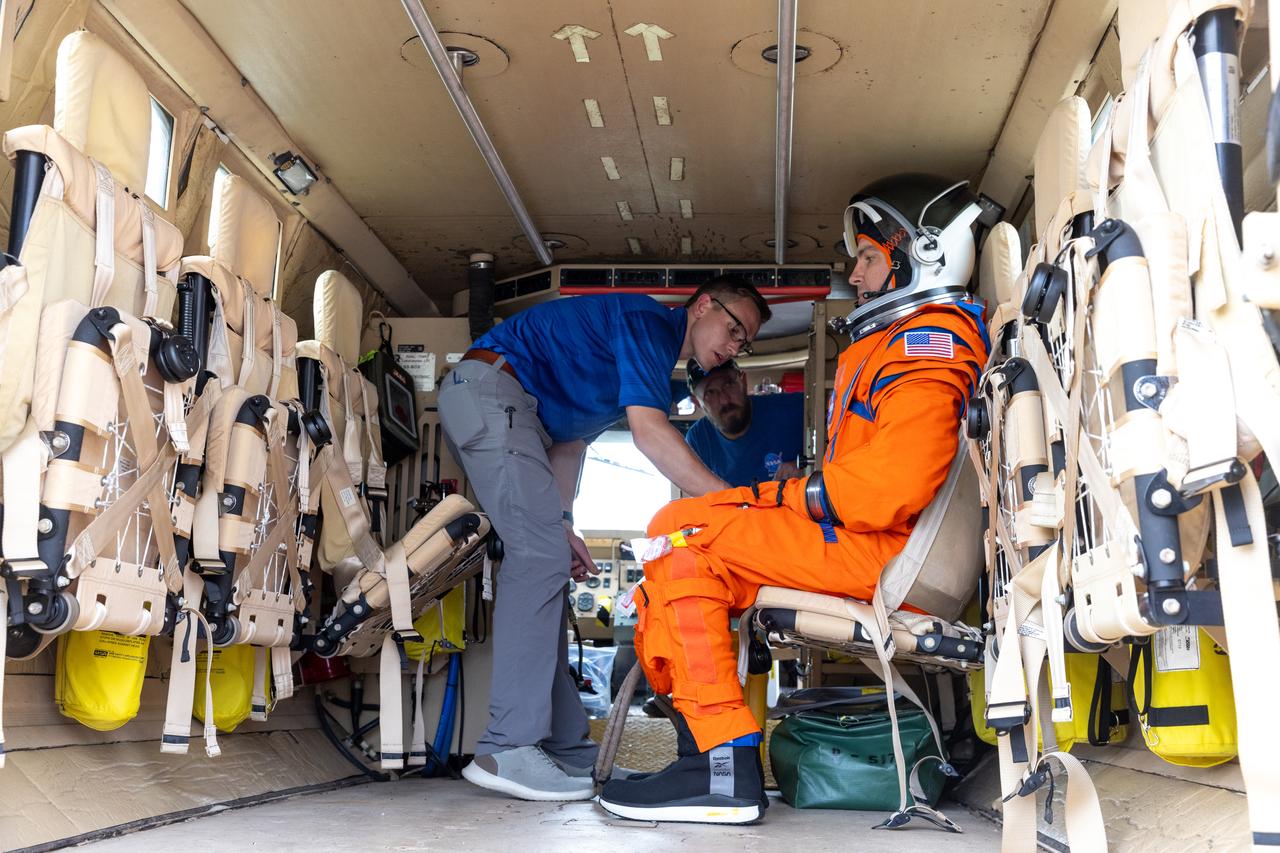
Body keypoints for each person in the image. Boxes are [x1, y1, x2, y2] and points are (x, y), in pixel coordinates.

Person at [597, 174, 990, 824]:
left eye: (867, 257)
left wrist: (785, 496)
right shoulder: (906, 342)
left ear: (920, 253)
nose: (857, 277)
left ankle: (720, 763)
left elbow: (891, 486)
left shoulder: (928, 341)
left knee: (681, 537)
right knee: (680, 531)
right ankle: (715, 761)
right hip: (870, 544)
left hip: (880, 554)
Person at [437, 274, 771, 802]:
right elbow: (649, 433)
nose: (733, 346)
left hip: (521, 419)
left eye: (742, 343)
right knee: (539, 558)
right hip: (492, 392)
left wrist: (564, 521)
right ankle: (506, 747)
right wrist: (732, 503)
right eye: (733, 329)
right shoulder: (648, 324)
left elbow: (571, 441)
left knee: (549, 565)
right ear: (702, 304)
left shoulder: (649, 364)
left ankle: (567, 747)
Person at [683, 359, 805, 487]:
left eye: (729, 384)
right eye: (710, 393)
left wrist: (807, 469)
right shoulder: (698, 442)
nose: (724, 400)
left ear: (744, 382)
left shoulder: (795, 408)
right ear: (697, 403)